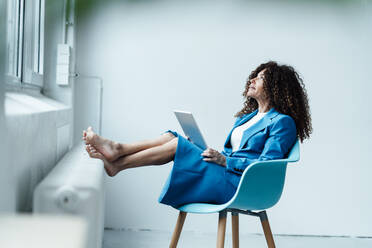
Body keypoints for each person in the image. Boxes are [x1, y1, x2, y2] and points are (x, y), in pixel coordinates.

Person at [83, 61, 312, 208]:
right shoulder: (247, 118)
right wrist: (210, 152)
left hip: (240, 184)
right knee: (173, 137)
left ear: (275, 86)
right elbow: (232, 153)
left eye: (259, 78)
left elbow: (266, 165)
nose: (251, 80)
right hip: (225, 173)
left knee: (177, 145)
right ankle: (117, 155)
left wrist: (225, 160)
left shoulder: (283, 123)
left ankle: (117, 158)